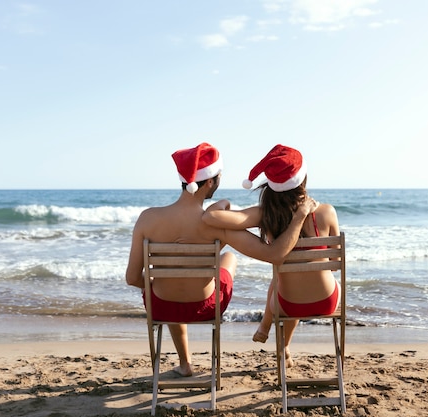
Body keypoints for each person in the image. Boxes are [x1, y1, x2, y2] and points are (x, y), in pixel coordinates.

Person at [126, 142, 318, 377]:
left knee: (169, 283)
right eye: (218, 176)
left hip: (161, 306)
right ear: (209, 182)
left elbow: (132, 277)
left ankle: (185, 364)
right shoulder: (217, 227)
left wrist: (160, 283)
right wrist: (225, 204)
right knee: (228, 258)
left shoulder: (147, 219)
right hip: (205, 307)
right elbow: (273, 254)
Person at [202, 144, 341, 367]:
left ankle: (275, 338)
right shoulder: (326, 212)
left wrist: (224, 203)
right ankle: (281, 345)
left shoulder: (266, 215)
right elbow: (335, 265)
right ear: (302, 178)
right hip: (326, 302)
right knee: (295, 279)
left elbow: (210, 218)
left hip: (286, 304)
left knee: (281, 280)